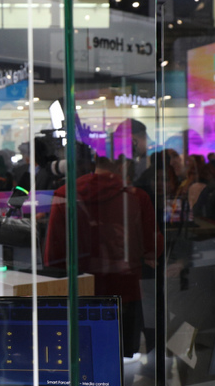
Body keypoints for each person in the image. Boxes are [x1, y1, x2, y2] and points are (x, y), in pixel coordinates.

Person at [44, 151, 161, 359]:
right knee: (122, 359)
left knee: (84, 358)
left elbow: (53, 256)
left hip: (81, 294)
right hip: (126, 293)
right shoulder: (136, 196)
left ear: (95, 162)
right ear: (123, 165)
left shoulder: (65, 193)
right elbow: (153, 247)